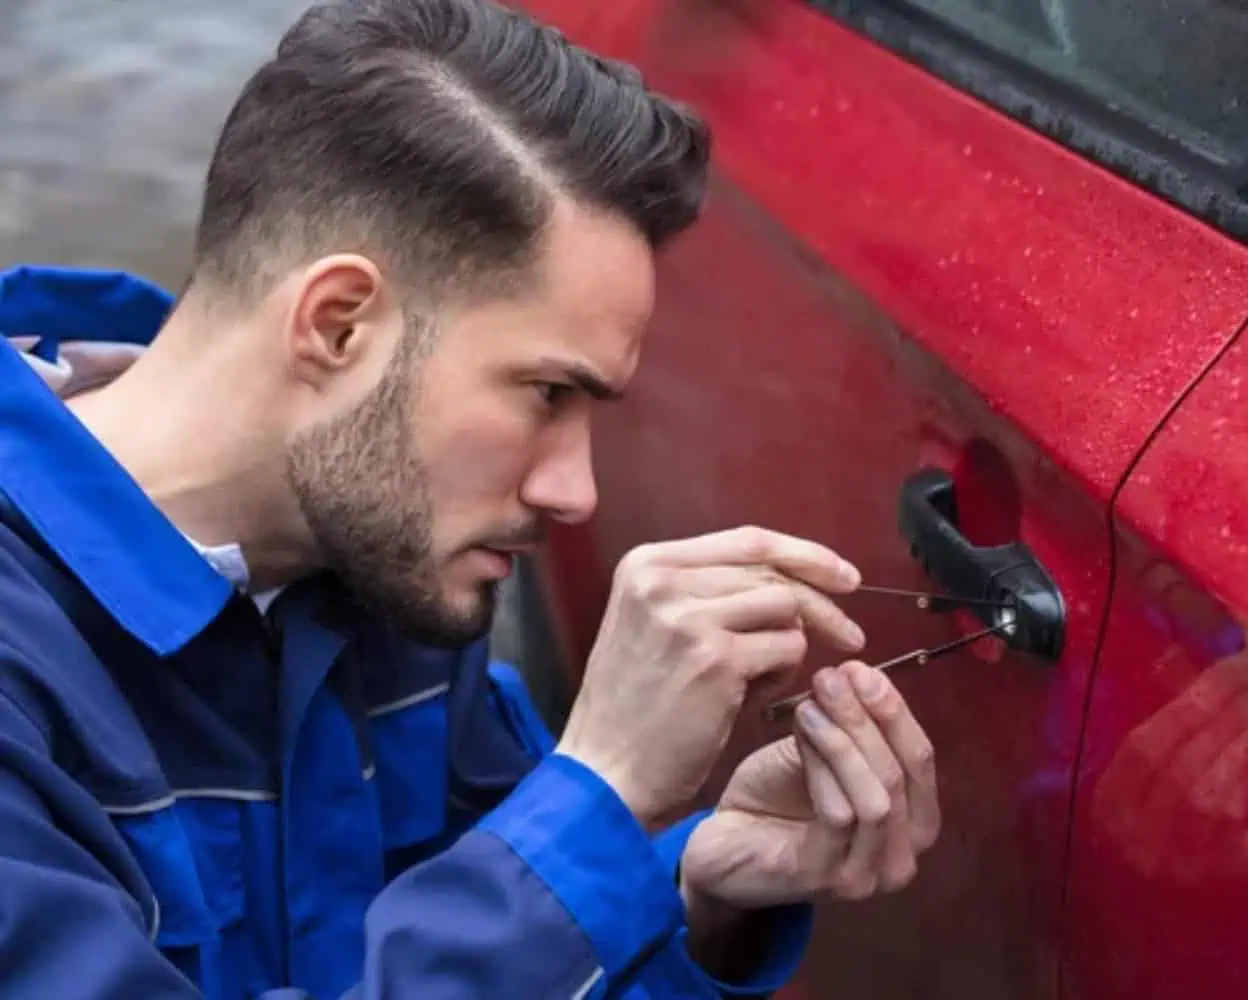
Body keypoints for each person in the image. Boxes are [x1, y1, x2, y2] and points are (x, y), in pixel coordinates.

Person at [0, 1, 941, 998]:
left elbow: (516, 933)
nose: (574, 494)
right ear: (338, 325)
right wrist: (601, 790)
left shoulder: (384, 561)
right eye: (547, 393)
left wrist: (692, 904)